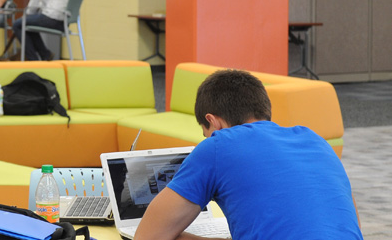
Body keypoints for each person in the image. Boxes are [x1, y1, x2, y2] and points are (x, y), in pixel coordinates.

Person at [133, 69, 363, 240]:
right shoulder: (316, 141)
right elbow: (351, 225)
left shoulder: (218, 146)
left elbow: (148, 236)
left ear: (213, 122)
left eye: (207, 133)